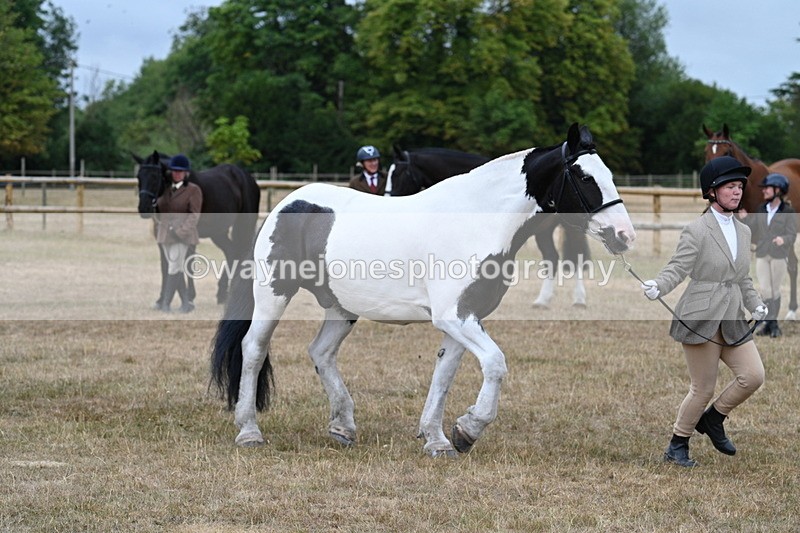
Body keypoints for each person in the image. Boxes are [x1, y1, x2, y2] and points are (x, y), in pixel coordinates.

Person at [641, 155, 767, 467]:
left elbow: (743, 277)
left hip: (732, 317)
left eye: (739, 187)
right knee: (702, 388)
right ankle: (677, 444)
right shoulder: (697, 230)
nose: (737, 192)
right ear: (712, 191)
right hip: (701, 314)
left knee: (753, 376)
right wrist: (659, 284)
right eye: (729, 187)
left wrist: (755, 303)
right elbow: (677, 267)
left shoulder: (744, 231)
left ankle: (713, 419)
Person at [739, 173, 797, 337]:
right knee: (765, 290)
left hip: (778, 255)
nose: (764, 191)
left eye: (767, 189)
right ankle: (770, 324)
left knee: (775, 290)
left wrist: (783, 239)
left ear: (777, 190)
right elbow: (753, 227)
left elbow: (792, 235)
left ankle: (772, 324)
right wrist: (744, 219)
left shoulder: (788, 211)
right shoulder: (761, 209)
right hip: (762, 253)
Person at [154, 154, 202, 313]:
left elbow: (194, 215)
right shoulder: (166, 189)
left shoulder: (193, 190)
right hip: (165, 236)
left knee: (173, 268)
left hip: (183, 237)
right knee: (178, 268)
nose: (177, 174)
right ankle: (186, 304)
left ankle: (166, 304)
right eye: (174, 171)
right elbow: (159, 208)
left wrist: (180, 233)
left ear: (186, 173)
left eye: (180, 171)